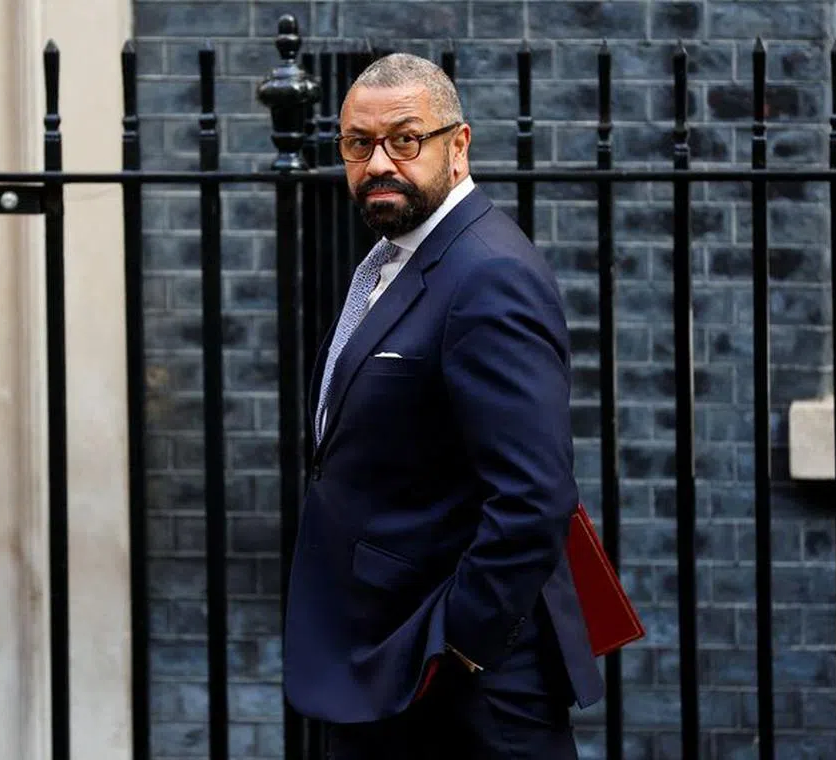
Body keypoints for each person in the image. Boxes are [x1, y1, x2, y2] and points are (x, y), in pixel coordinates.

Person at [283, 52, 604, 760]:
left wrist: (455, 645)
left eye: (404, 139)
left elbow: (535, 496)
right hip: (381, 660)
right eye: (358, 144)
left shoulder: (487, 273)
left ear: (458, 146)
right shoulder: (396, 260)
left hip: (462, 692)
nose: (377, 164)